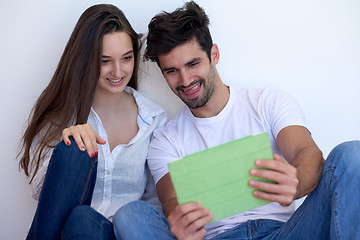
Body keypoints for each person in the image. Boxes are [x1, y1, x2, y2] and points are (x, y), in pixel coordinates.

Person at [112, 1, 360, 239]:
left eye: (193, 63)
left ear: (214, 54)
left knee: (351, 154)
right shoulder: (165, 140)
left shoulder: (266, 102)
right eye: (172, 71)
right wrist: (181, 222)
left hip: (285, 233)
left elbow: (308, 153)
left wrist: (296, 182)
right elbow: (172, 201)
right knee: (131, 214)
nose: (185, 80)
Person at [18, 4, 167, 240]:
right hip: (65, 232)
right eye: (105, 60)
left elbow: (153, 207)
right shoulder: (63, 110)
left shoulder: (154, 119)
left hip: (120, 234)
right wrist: (68, 139)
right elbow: (38, 192)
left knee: (88, 219)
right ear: (86, 59)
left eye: (126, 58)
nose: (118, 71)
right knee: (81, 210)